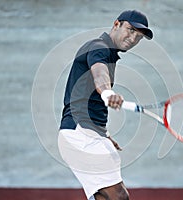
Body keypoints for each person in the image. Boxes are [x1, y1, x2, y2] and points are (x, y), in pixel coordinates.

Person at [58, 10, 153, 200]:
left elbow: (87, 94)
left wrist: (105, 133)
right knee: (119, 197)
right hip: (81, 133)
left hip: (91, 132)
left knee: (107, 197)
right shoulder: (98, 47)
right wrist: (108, 92)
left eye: (139, 36)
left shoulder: (108, 54)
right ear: (116, 24)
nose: (133, 38)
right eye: (130, 30)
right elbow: (99, 76)